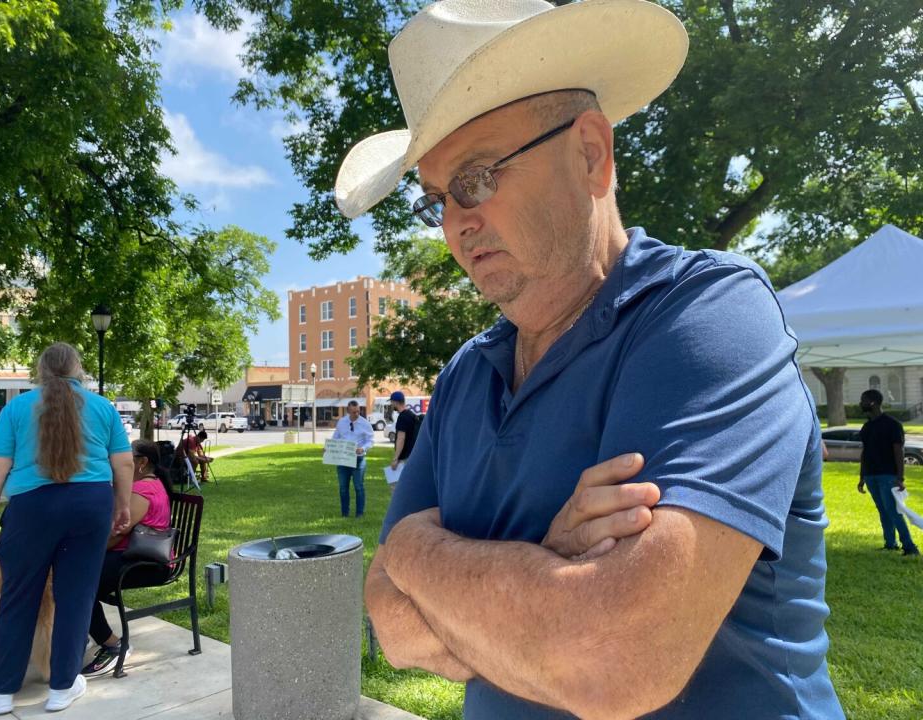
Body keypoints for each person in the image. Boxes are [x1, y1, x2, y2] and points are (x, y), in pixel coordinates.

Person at [335, 2, 844, 718]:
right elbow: (389, 618)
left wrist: (420, 551)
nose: (457, 224)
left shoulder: (707, 315)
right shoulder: (465, 375)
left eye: (477, 177)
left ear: (591, 154)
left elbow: (612, 660)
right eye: (438, 200)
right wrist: (544, 564)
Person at [0, 342, 132, 715]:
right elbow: (123, 463)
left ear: (40, 371)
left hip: (31, 509)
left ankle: (0, 692)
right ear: (78, 370)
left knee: (17, 596)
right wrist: (122, 506)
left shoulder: (17, 408)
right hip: (90, 506)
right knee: (75, 596)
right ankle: (62, 687)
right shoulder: (103, 407)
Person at [83, 439, 174, 676]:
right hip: (132, 557)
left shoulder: (143, 489)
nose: (119, 459)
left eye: (127, 455)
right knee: (75, 574)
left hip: (146, 563)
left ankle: (114, 645)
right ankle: (81, 631)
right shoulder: (147, 485)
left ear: (142, 462)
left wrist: (86, 552)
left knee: (77, 580)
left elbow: (117, 532)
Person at [858, 389, 919, 556]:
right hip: (871, 475)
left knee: (893, 511)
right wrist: (862, 477)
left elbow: (898, 451)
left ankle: (910, 547)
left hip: (888, 475)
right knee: (883, 511)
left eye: (863, 400)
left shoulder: (892, 425)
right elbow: (865, 452)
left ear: (873, 403)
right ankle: (890, 543)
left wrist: (900, 477)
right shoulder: (867, 427)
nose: (860, 404)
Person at [331, 401, 373, 517]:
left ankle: (359, 513)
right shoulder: (342, 422)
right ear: (348, 411)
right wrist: (328, 448)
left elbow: (370, 440)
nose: (357, 414)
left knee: (359, 487)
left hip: (358, 459)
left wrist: (363, 448)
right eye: (354, 412)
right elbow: (336, 437)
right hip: (343, 459)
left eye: (358, 411)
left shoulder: (365, 424)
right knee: (343, 488)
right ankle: (345, 513)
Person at [388, 391, 417, 493]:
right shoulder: (411, 415)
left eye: (391, 402)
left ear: (395, 402)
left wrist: (395, 459)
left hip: (404, 458)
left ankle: (401, 509)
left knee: (397, 490)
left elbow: (401, 438)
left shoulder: (402, 417)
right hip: (412, 456)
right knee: (409, 487)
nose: (391, 405)